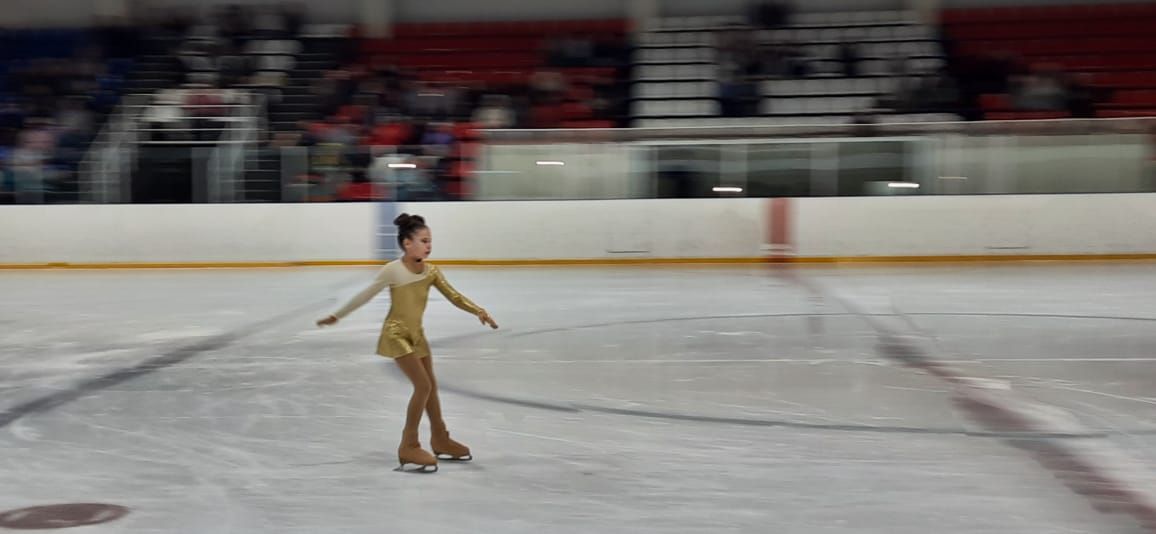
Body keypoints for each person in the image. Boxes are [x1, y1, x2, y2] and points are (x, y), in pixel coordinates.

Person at [316, 213, 498, 472]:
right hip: (396, 334)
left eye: (430, 241)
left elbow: (454, 296)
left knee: (431, 386)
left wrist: (477, 309)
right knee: (422, 386)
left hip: (417, 335)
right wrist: (338, 315)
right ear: (407, 243)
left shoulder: (431, 271)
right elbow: (365, 295)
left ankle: (440, 438)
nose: (428, 245)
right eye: (423, 240)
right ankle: (408, 445)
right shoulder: (393, 270)